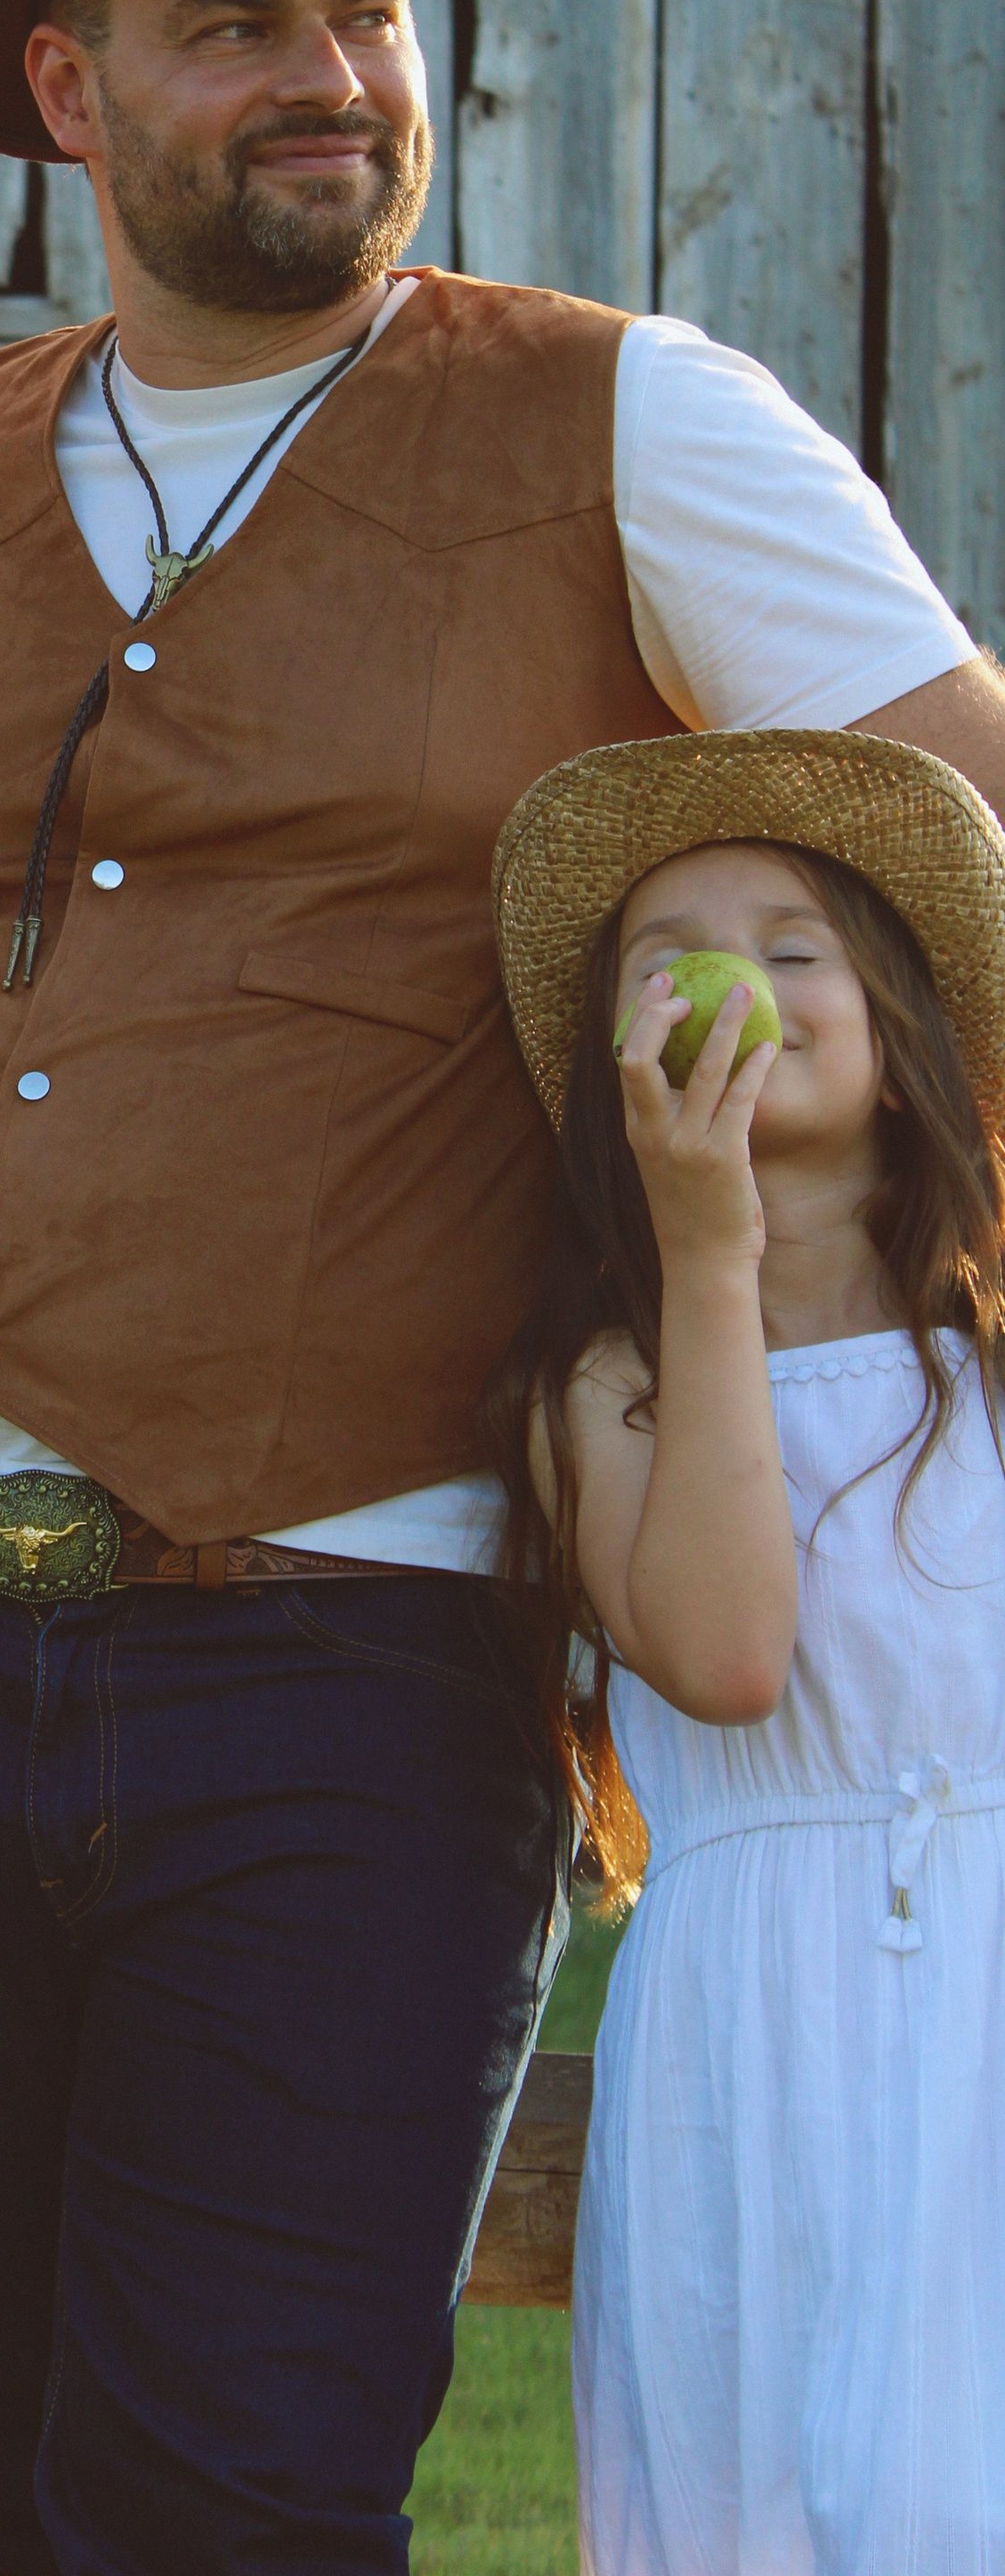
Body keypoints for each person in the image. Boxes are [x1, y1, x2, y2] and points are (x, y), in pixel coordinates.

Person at [0, 0, 1005, 2572]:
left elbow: (962, 857)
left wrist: (869, 1387)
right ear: (73, 90)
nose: (333, 74)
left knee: (223, 2509)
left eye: (359, 5)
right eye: (237, 20)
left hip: (348, 1667)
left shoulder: (627, 421)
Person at [486, 730, 1005, 2575]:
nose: (737, 977)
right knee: (770, 2496)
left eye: (791, 942)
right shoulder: (606, 1389)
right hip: (757, 2026)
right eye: (670, 954)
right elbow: (720, 1654)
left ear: (897, 1031)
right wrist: (705, 1259)